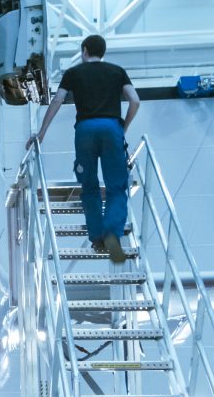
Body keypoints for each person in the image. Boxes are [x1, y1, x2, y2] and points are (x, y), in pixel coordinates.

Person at [30, 35, 139, 263]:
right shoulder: (117, 71)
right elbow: (135, 101)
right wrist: (123, 127)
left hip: (85, 130)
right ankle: (111, 233)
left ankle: (96, 236)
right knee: (116, 186)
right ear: (103, 52)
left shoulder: (73, 73)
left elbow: (57, 101)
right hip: (111, 127)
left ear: (85, 50)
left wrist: (41, 133)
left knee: (89, 186)